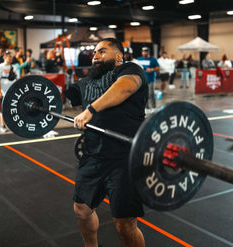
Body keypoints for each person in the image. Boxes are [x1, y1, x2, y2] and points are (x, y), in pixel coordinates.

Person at [64, 38, 147, 247]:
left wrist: (90, 109)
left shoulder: (130, 70)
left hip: (125, 158)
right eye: (94, 53)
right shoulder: (86, 82)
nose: (96, 56)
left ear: (119, 55)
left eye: (102, 51)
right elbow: (55, 95)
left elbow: (124, 88)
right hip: (93, 155)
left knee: (124, 224)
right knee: (81, 210)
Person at [0, 50, 20, 133]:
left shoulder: (14, 67)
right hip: (4, 92)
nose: (11, 58)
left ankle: (14, 124)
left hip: (13, 92)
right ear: (4, 57)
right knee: (3, 109)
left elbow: (17, 79)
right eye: (9, 56)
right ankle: (3, 126)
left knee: (14, 108)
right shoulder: (0, 67)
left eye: (11, 56)